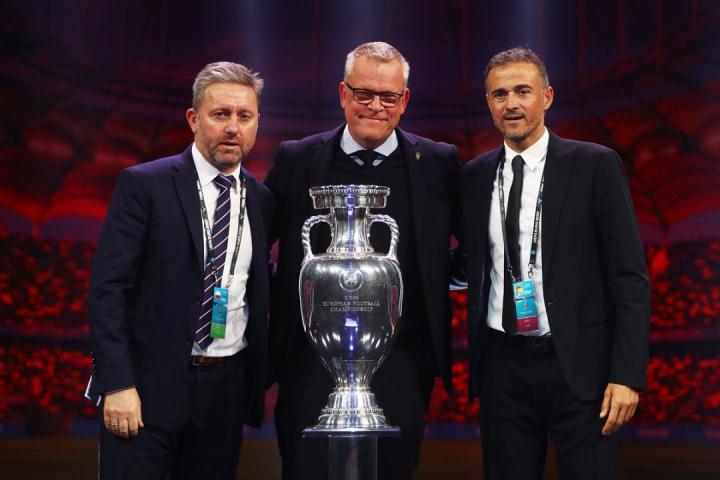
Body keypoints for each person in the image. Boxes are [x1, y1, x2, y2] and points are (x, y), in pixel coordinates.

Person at [265, 41, 462, 480]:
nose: (375, 106)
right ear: (343, 93)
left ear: (404, 100)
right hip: (309, 357)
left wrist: (438, 280)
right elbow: (258, 245)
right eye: (364, 93)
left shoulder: (439, 162)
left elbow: (475, 246)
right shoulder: (296, 158)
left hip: (402, 357)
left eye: (388, 96)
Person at [463, 47, 651, 479]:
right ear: (488, 103)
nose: (511, 103)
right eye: (499, 94)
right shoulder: (474, 175)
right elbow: (474, 263)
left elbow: (629, 276)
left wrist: (627, 375)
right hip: (503, 368)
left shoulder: (595, 164)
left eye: (522, 91)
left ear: (546, 97)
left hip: (582, 371)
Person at [85, 61, 273, 479]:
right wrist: (117, 383)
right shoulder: (144, 184)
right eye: (220, 114)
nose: (233, 127)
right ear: (193, 118)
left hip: (225, 395)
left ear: (257, 122)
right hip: (144, 391)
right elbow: (108, 291)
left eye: (244, 116)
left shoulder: (262, 200)